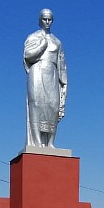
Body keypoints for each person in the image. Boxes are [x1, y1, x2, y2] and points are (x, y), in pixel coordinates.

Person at [24, 8, 67, 148]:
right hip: (37, 71)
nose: (47, 22)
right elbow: (27, 55)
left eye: (50, 19)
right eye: (44, 19)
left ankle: (50, 143)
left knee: (52, 106)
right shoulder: (33, 37)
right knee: (37, 105)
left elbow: (62, 65)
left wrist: (64, 82)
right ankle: (37, 143)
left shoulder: (57, 41)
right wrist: (41, 46)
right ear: (40, 20)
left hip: (52, 73)